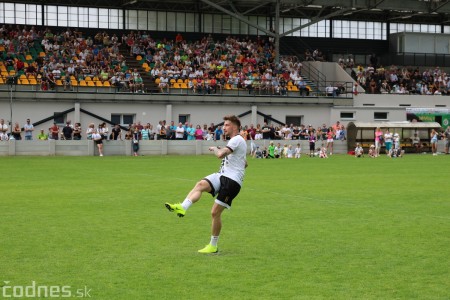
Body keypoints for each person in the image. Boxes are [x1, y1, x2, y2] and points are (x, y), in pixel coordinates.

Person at [164, 115, 248, 254]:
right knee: (201, 184)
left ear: (234, 126)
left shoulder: (237, 139)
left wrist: (216, 149)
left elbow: (220, 155)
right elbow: (245, 163)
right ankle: (182, 207)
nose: (224, 128)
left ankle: (213, 245)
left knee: (215, 213)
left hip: (232, 182)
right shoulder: (236, 142)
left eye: (226, 125)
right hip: (222, 175)